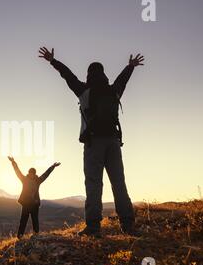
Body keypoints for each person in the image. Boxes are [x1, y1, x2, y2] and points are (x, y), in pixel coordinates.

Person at [39, 46, 144, 237]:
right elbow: (122, 80)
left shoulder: (83, 90)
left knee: (94, 184)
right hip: (113, 142)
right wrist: (130, 66)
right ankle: (128, 225)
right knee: (119, 183)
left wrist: (53, 61)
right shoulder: (113, 91)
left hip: (93, 143)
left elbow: (67, 76)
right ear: (103, 73)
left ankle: (94, 228)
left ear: (88, 74)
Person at [8, 156, 61, 239]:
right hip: (25, 204)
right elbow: (17, 171)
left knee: (35, 220)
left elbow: (46, 174)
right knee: (23, 221)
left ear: (34, 173)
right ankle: (19, 236)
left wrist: (52, 167)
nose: (31, 174)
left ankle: (36, 235)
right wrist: (13, 162)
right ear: (28, 173)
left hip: (34, 204)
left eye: (33, 173)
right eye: (30, 173)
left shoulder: (38, 180)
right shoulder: (24, 179)